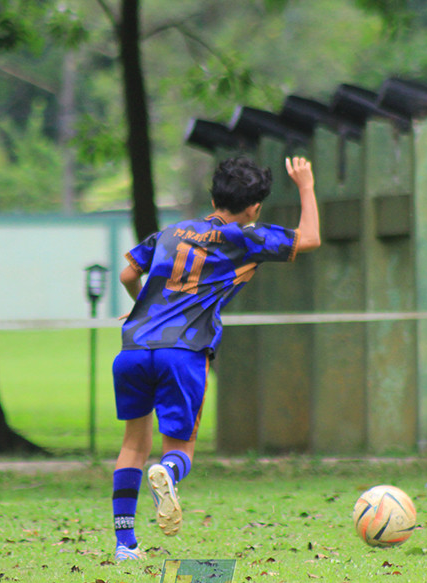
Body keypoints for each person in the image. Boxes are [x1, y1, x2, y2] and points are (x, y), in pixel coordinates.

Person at [110, 155, 321, 561]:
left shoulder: (171, 232)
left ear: (214, 195)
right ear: (254, 207)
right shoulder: (246, 238)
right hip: (183, 352)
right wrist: (306, 185)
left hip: (134, 349)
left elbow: (127, 275)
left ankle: (124, 545)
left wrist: (146, 310)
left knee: (133, 446)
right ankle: (168, 473)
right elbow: (308, 238)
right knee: (180, 448)